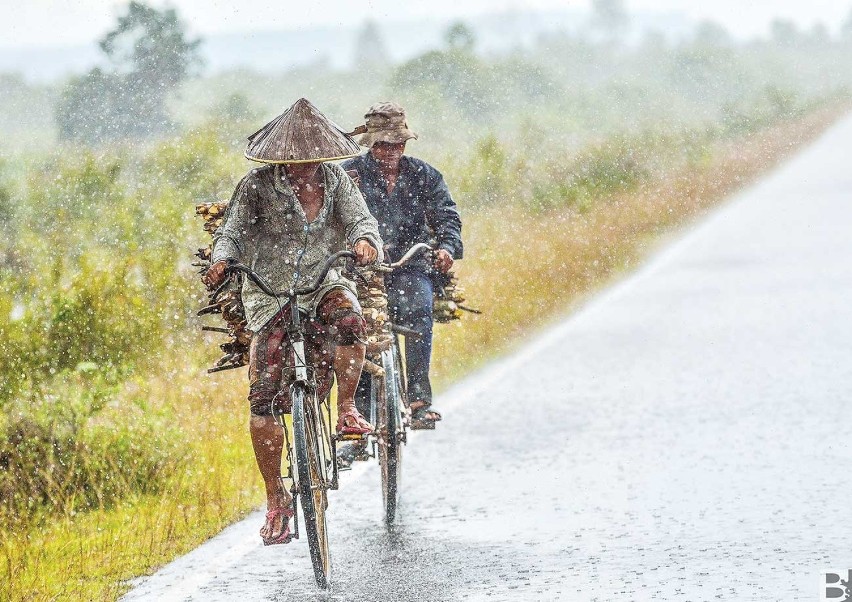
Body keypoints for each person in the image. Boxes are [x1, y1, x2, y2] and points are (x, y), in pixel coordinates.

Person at [203, 98, 383, 545]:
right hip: (269, 290)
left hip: (325, 280)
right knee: (263, 398)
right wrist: (223, 259)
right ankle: (276, 497)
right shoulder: (256, 186)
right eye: (294, 160)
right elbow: (231, 231)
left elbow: (363, 220)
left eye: (310, 159)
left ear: (322, 155)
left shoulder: (337, 179)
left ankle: (346, 410)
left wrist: (363, 240)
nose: (303, 168)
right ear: (280, 158)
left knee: (351, 324)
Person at [342, 101, 463, 431]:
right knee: (357, 328)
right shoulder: (347, 175)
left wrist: (447, 248)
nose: (390, 151)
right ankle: (360, 411)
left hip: (410, 265)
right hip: (361, 271)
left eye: (397, 143)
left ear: (405, 143)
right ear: (371, 144)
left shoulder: (425, 175)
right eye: (383, 144)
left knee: (420, 309)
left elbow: (447, 218)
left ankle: (419, 401)